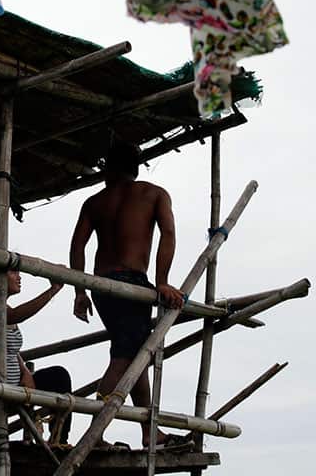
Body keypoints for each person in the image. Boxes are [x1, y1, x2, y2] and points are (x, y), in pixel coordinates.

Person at [69, 139, 186, 448]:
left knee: (134, 353)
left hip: (102, 285)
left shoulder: (94, 202)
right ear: (134, 167)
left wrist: (80, 291)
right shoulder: (154, 194)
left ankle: (150, 431)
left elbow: (77, 246)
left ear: (108, 168)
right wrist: (162, 281)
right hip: (133, 284)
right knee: (125, 356)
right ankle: (96, 433)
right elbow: (169, 234)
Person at [0, 263, 73, 444]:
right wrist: (53, 289)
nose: (19, 277)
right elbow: (16, 315)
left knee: (58, 377)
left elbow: (11, 349)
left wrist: (25, 372)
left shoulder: (4, 308)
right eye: (14, 272)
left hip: (10, 393)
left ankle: (58, 441)